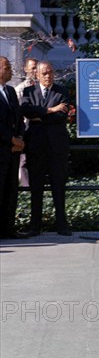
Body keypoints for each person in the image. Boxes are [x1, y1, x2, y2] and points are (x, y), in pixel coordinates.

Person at [21, 61, 72, 236]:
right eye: (44, 73)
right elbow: (26, 111)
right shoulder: (29, 92)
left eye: (50, 72)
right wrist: (50, 110)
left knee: (58, 186)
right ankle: (35, 226)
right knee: (36, 188)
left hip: (57, 147)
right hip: (35, 147)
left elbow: (62, 114)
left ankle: (62, 225)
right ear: (37, 75)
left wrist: (39, 114)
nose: (48, 76)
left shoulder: (62, 92)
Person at [0, 57, 26, 239]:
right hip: (1, 149)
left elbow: (18, 119)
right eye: (7, 67)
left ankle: (8, 229)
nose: (11, 71)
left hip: (13, 151)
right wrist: (10, 139)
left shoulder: (10, 91)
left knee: (11, 190)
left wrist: (20, 138)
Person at [15, 58, 38, 189]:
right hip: (25, 129)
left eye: (36, 67)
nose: (35, 71)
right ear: (26, 69)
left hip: (39, 129)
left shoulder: (42, 86)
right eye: (32, 68)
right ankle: (25, 186)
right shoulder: (20, 89)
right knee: (23, 161)